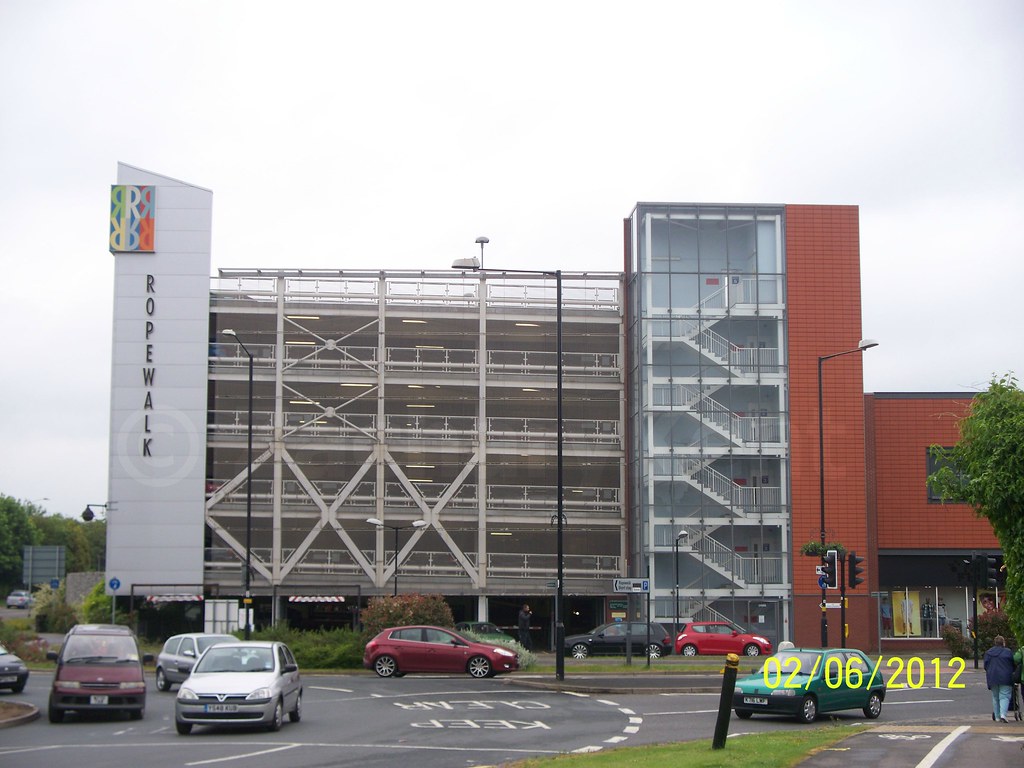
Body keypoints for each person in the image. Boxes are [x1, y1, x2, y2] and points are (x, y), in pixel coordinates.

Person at [983, 635, 1015, 722]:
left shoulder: (988, 653)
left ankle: (997, 717)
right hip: (1006, 677)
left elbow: (985, 666)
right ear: (1003, 643)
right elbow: (1013, 664)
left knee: (995, 697)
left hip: (992, 677)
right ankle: (1003, 715)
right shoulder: (1008, 652)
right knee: (1004, 696)